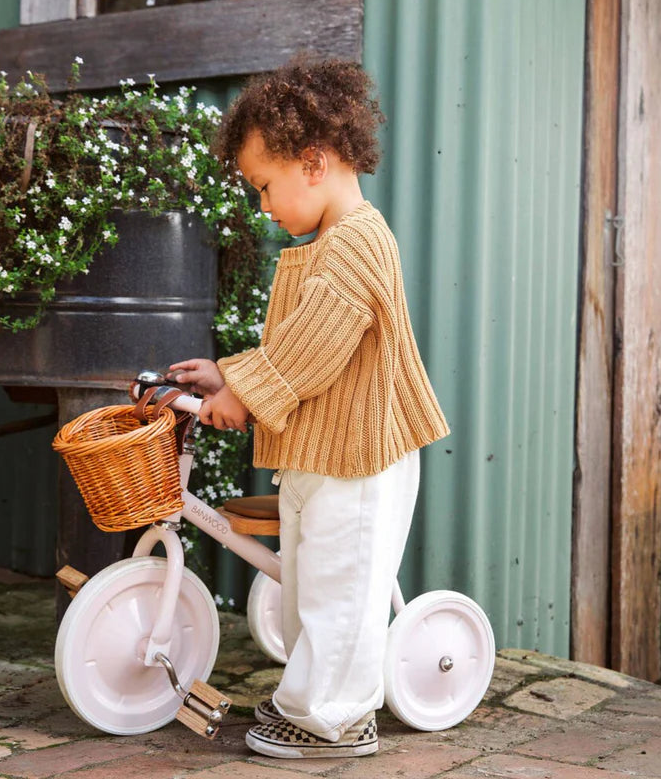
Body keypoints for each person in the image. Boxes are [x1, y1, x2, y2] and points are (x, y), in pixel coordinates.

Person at [169, 57, 450, 759]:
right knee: (310, 586)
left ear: (314, 161)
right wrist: (228, 373)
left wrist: (244, 393)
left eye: (265, 186)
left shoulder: (358, 241)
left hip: (360, 461)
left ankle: (334, 718)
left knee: (339, 592)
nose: (263, 206)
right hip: (322, 450)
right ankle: (312, 693)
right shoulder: (329, 242)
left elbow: (313, 349)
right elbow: (295, 345)